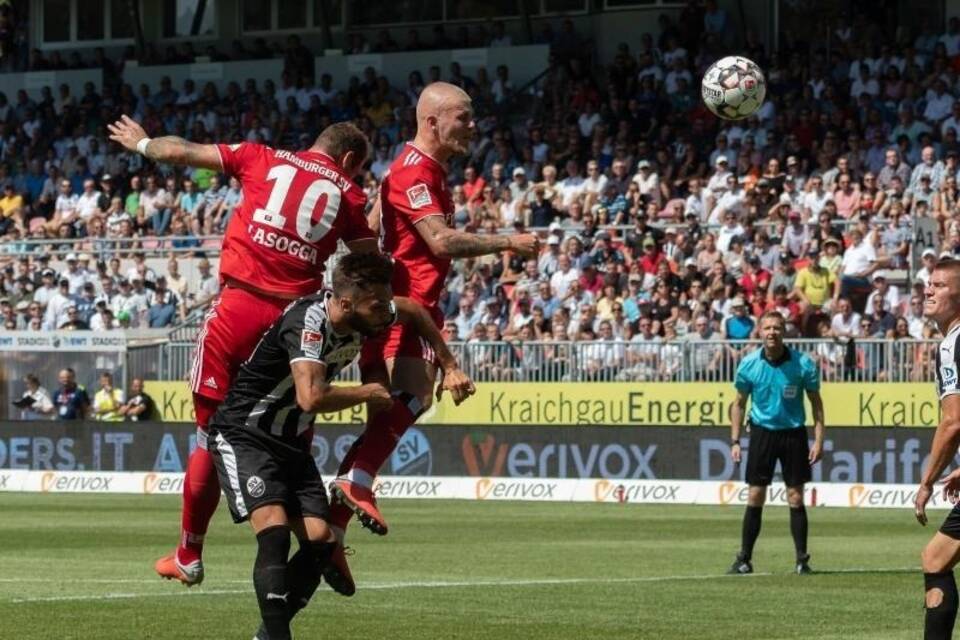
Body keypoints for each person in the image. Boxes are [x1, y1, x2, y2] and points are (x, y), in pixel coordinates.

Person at [108, 116, 378, 586]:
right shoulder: (349, 196)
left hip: (237, 311)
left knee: (209, 434)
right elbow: (368, 262)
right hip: (294, 327)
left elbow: (180, 152)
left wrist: (143, 143)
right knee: (290, 436)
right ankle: (322, 540)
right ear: (351, 161)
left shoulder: (263, 157)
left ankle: (189, 554)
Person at [208, 253, 473, 639]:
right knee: (276, 533)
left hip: (290, 443)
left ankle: (266, 634)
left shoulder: (367, 311)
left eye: (385, 303)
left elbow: (414, 310)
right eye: (377, 305)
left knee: (322, 542)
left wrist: (449, 365)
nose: (385, 312)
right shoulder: (308, 323)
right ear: (346, 303)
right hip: (245, 434)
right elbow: (310, 398)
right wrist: (368, 392)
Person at [330, 82, 540, 538]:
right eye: (463, 117)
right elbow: (440, 240)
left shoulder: (407, 171)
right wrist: (508, 241)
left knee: (382, 419)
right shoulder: (416, 172)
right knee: (414, 399)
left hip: (388, 305)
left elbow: (370, 230)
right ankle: (354, 483)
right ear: (432, 122)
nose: (472, 125)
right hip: (409, 308)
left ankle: (333, 531)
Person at [728, 311, 824, 576]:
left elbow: (816, 404)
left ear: (785, 331)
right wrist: (735, 440)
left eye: (777, 328)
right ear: (760, 332)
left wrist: (819, 439)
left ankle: (802, 560)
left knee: (795, 496)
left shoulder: (802, 364)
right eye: (767, 328)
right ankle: (744, 559)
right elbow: (738, 404)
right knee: (756, 495)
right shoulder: (749, 365)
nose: (772, 332)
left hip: (793, 434)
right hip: (762, 433)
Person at [914, 259, 960, 639]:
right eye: (928, 284)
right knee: (936, 557)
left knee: (934, 558)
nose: (928, 290)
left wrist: (928, 479)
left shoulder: (954, 344)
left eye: (939, 285)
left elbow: (953, 421)